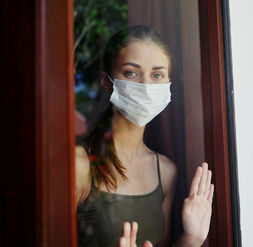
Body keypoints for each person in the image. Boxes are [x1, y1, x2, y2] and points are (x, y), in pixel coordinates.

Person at [75, 25, 214, 247]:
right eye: (131, 72)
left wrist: (192, 238)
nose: (146, 86)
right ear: (106, 81)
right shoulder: (79, 165)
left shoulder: (166, 171)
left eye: (157, 75)